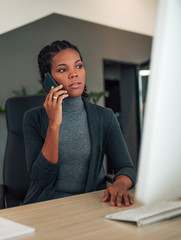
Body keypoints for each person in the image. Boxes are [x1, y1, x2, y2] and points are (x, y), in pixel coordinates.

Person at [22, 40, 136, 207]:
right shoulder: (33, 118)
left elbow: (126, 168)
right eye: (62, 69)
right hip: (46, 206)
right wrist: (54, 125)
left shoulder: (104, 117)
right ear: (48, 79)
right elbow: (41, 179)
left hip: (91, 204)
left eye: (78, 66)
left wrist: (119, 184)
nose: (74, 74)